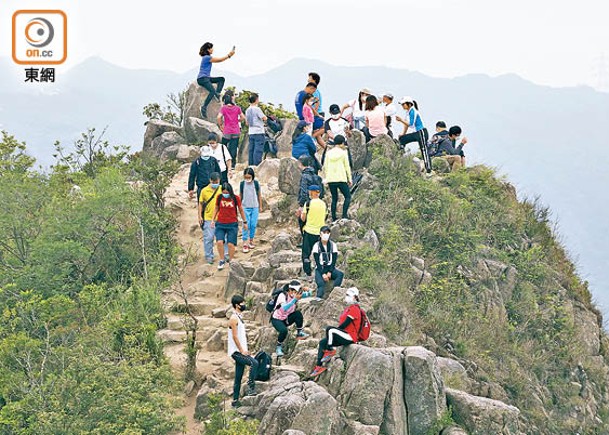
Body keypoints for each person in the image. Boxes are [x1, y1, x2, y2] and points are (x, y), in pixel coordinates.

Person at [309, 287, 362, 377]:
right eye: (346, 295)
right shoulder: (349, 308)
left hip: (351, 336)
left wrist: (335, 331)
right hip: (344, 334)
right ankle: (318, 366)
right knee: (322, 342)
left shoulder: (355, 309)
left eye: (349, 295)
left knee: (330, 329)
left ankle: (330, 350)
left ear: (355, 297)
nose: (346, 297)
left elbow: (345, 324)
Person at [228, 294, 258, 407]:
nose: (244, 305)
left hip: (240, 350)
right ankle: (251, 388)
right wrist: (242, 350)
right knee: (254, 363)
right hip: (236, 352)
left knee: (238, 375)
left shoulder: (238, 317)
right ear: (237, 305)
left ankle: (235, 401)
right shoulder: (233, 318)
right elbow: (235, 336)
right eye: (242, 303)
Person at [211, 182, 248, 270]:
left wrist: (245, 222)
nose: (225, 194)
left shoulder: (235, 198)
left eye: (227, 193)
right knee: (219, 242)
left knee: (231, 244)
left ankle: (231, 260)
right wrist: (213, 220)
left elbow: (241, 210)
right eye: (224, 192)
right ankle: (222, 259)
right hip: (220, 223)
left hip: (232, 224)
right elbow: (216, 208)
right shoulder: (219, 197)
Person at [271, 280, 312, 357]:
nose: (296, 293)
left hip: (286, 318)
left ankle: (299, 333)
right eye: (294, 291)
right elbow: (284, 308)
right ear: (290, 290)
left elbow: (310, 293)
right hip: (277, 319)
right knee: (283, 331)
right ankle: (278, 347)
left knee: (298, 314)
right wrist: (295, 299)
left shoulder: (295, 295)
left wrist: (307, 289)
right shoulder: (282, 296)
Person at [197, 42, 235, 118]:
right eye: (211, 48)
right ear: (208, 49)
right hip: (202, 79)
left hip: (207, 78)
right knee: (212, 91)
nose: (213, 49)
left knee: (221, 79)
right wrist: (229, 55)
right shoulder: (207, 57)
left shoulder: (207, 57)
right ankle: (204, 107)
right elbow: (219, 60)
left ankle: (217, 93)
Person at [396, 96, 431, 174]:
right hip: (416, 133)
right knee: (402, 139)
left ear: (409, 104)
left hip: (421, 132)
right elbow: (406, 125)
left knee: (423, 149)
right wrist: (403, 134)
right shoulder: (407, 112)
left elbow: (411, 124)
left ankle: (428, 168)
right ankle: (400, 157)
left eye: (403, 104)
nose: (402, 106)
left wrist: (401, 120)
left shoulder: (413, 111)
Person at [323, 135, 352, 221]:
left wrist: (327, 178)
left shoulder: (328, 153)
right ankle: (344, 215)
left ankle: (334, 217)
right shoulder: (343, 153)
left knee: (334, 198)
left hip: (331, 179)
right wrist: (349, 179)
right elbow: (347, 167)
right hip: (341, 178)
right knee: (347, 196)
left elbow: (325, 166)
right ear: (342, 143)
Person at [300, 185, 327, 277]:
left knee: (306, 254)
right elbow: (325, 217)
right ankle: (320, 271)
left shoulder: (308, 203)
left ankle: (307, 273)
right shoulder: (324, 204)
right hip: (320, 233)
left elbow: (303, 218)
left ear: (311, 192)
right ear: (318, 192)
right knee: (319, 253)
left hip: (308, 232)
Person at [312, 226, 344, 300]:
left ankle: (335, 292)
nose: (326, 234)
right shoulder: (316, 246)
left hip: (330, 267)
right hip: (320, 268)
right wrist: (323, 274)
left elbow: (333, 261)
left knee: (340, 274)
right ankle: (318, 298)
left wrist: (330, 271)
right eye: (324, 233)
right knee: (321, 284)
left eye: (327, 233)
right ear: (320, 234)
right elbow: (317, 262)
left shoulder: (333, 245)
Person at [296, 155, 324, 239]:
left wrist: (301, 205)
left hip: (307, 203)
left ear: (300, 164)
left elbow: (304, 192)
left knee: (302, 221)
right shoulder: (315, 175)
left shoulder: (304, 176)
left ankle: (305, 240)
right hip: (317, 202)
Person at [198, 172, 222, 264]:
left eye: (217, 181)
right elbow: (200, 203)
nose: (216, 183)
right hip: (208, 217)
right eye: (214, 181)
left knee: (223, 238)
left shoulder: (222, 189)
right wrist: (200, 216)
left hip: (221, 217)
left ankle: (225, 255)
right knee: (209, 237)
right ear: (210, 181)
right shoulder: (204, 191)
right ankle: (209, 256)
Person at [217, 93, 245, 168]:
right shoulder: (237, 108)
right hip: (236, 130)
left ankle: (223, 161)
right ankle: (233, 164)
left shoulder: (224, 108)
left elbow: (219, 117)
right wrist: (237, 120)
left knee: (223, 146)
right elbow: (243, 117)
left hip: (227, 130)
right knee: (234, 147)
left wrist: (220, 125)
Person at [239, 167, 263, 253]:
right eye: (246, 177)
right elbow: (240, 195)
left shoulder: (256, 184)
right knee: (246, 225)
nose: (247, 179)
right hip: (245, 207)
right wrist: (239, 207)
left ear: (252, 176)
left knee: (253, 224)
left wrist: (260, 206)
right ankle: (245, 243)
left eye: (249, 177)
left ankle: (251, 240)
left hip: (255, 207)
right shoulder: (242, 184)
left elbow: (259, 195)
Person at [295, 82, 325, 147]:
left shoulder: (299, 94)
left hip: (303, 119)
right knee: (325, 127)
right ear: (311, 88)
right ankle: (312, 137)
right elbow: (310, 108)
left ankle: (325, 148)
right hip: (307, 120)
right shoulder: (305, 96)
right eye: (313, 91)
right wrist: (317, 104)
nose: (313, 93)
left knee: (318, 135)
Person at [245, 93, 267, 166]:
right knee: (258, 150)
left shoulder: (247, 110)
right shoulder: (257, 109)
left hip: (251, 132)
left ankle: (251, 165)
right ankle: (257, 166)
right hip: (259, 132)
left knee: (251, 150)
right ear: (256, 100)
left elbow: (247, 123)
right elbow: (264, 118)